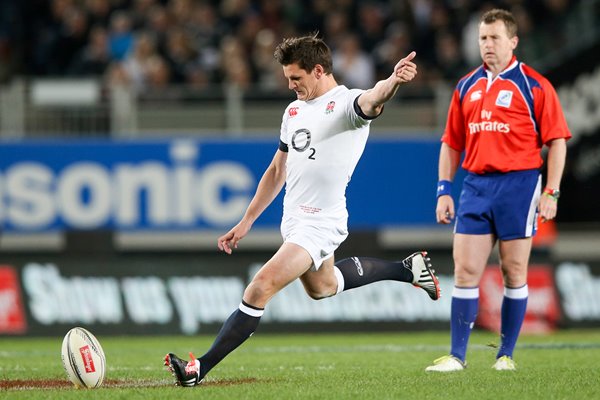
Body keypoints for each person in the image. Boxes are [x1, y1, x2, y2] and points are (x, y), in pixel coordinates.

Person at [164, 33, 441, 387]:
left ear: (319, 70)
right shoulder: (293, 110)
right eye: (287, 79)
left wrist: (393, 81)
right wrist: (248, 219)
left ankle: (198, 369)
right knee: (323, 287)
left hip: (320, 222)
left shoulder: (346, 105)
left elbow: (374, 99)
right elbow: (278, 169)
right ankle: (407, 269)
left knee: (259, 287)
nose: (291, 85)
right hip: (294, 219)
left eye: (296, 78)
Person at [426, 9, 571, 372]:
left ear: (513, 41)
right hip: (476, 185)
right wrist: (444, 189)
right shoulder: (465, 86)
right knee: (464, 271)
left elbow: (557, 142)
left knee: (514, 271)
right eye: (482, 38)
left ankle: (505, 355)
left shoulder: (534, 85)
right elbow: (450, 143)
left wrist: (551, 192)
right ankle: (457, 356)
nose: (487, 45)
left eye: (494, 38)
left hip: (519, 186)